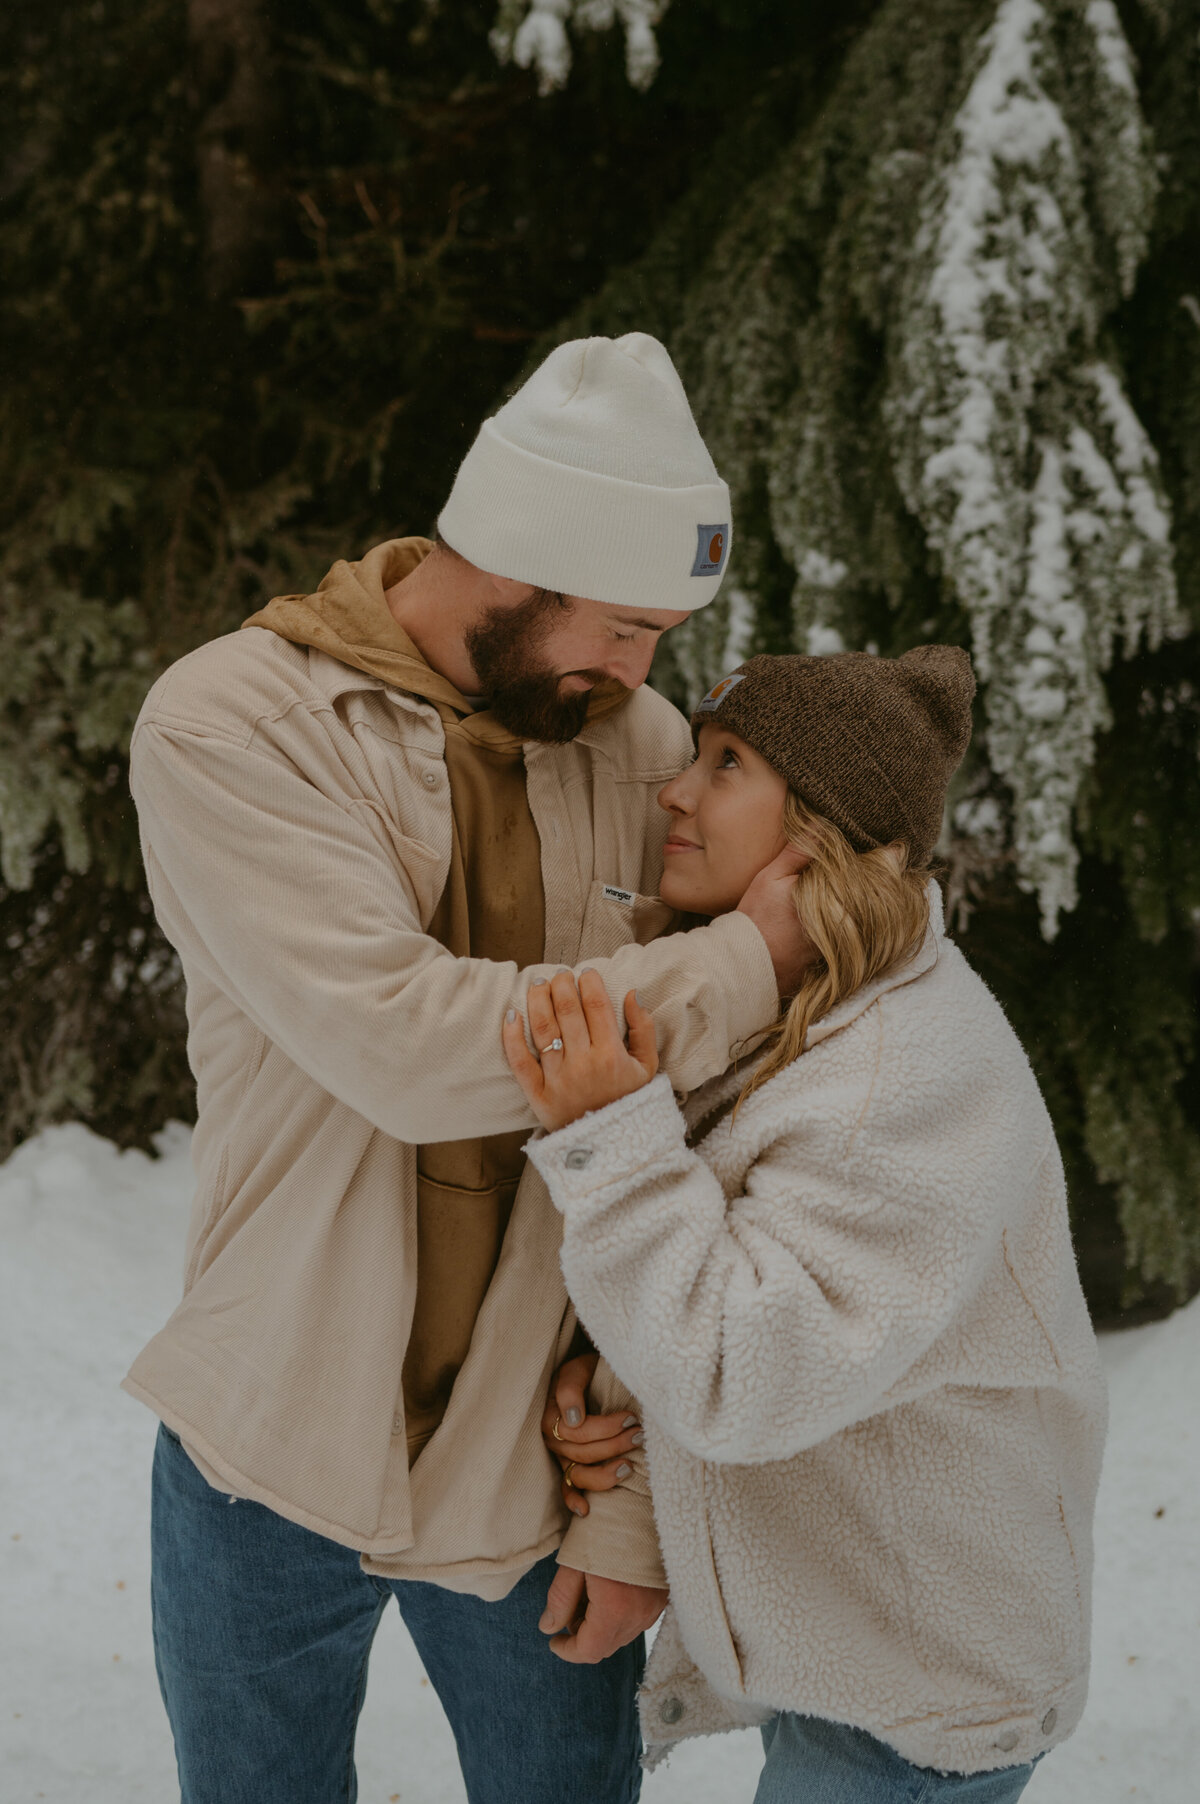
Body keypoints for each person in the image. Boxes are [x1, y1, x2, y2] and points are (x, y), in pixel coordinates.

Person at [122, 333, 813, 1804]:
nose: (643, 674)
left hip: (533, 1471)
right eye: (624, 626)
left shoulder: (640, 745)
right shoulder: (231, 724)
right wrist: (736, 965)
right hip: (268, 1447)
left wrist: (627, 1506)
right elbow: (407, 1044)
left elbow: (703, 1135)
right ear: (515, 559)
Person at [504, 647, 1108, 1804]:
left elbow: (744, 1372)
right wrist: (617, 1402)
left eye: (728, 763)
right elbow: (760, 1284)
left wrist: (611, 1136)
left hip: (919, 1692)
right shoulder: (814, 1009)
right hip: (862, 1644)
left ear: (822, 824)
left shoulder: (898, 1075)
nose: (676, 791)